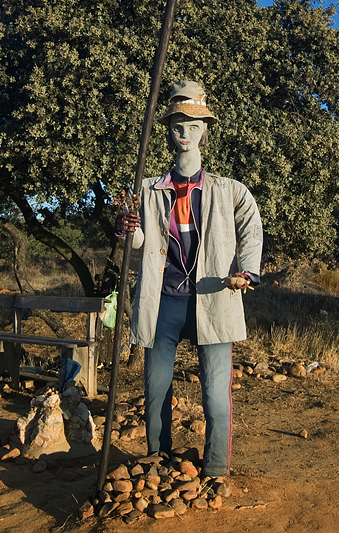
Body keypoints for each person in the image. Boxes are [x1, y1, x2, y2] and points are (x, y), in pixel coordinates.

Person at [115, 80, 262, 478]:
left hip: (213, 301)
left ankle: (215, 470)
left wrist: (247, 271)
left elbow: (251, 229)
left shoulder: (229, 190)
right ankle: (158, 463)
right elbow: (140, 242)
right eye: (178, 126)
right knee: (155, 390)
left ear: (205, 131)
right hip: (162, 302)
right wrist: (127, 229)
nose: (185, 133)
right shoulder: (146, 190)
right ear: (168, 130)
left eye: (193, 126)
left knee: (215, 395)